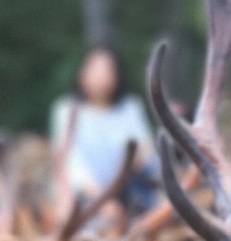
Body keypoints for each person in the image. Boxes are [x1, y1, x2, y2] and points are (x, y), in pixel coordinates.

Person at [49, 45, 159, 218]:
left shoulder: (130, 108)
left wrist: (141, 158)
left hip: (131, 196)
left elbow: (146, 152)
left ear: (117, 75)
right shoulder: (66, 110)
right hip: (85, 201)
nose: (100, 76)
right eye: (94, 69)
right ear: (81, 73)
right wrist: (104, 202)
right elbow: (72, 164)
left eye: (106, 70)